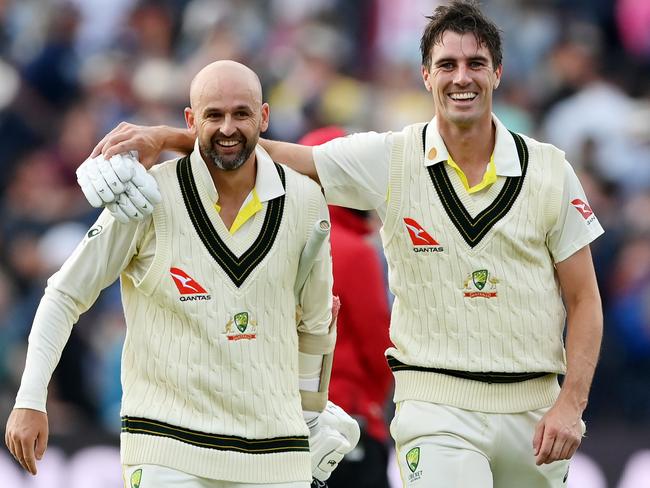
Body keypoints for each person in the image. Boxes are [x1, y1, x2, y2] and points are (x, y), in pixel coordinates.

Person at [78, 2, 605, 486]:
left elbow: (584, 299)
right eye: (447, 64)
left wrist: (571, 404)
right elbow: (279, 154)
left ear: (498, 72)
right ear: (426, 75)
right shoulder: (392, 158)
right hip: (436, 403)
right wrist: (168, 137)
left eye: (475, 63)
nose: (461, 77)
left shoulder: (549, 169)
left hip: (536, 413)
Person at [5, 60, 360, 487]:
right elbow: (65, 294)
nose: (228, 128)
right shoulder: (146, 196)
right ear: (191, 121)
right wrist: (31, 397)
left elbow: (316, 325)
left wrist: (310, 414)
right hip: (169, 449)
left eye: (241, 114)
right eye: (214, 115)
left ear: (264, 117)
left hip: (273, 452)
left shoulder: (305, 203)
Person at [300, 127, 393, 488]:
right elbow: (378, 347)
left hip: (287, 422)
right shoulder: (354, 251)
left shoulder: (279, 238)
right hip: (347, 423)